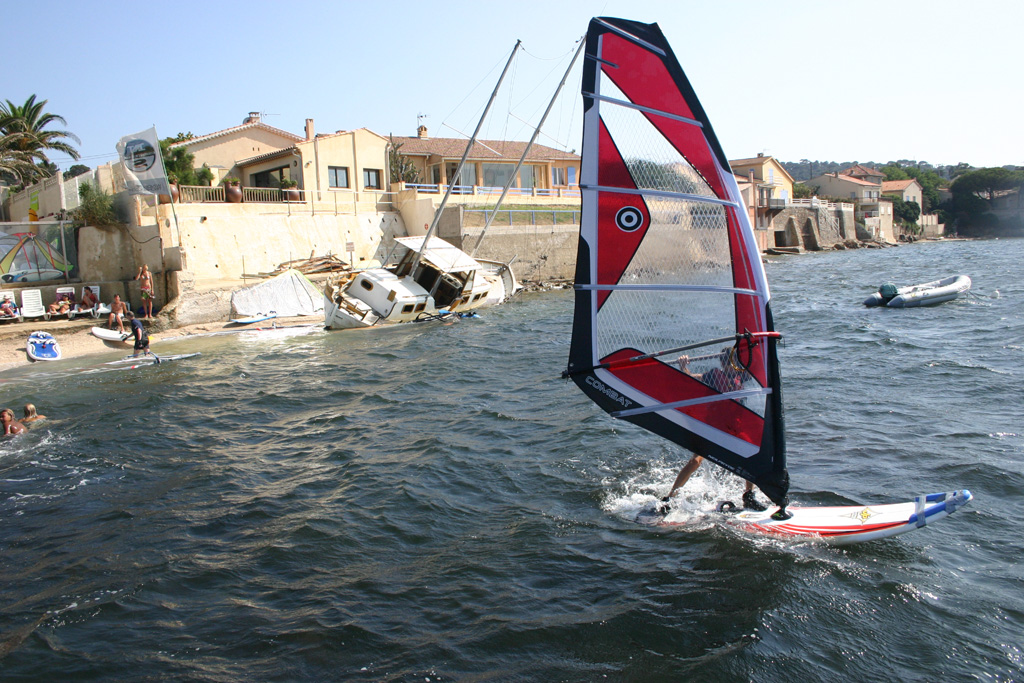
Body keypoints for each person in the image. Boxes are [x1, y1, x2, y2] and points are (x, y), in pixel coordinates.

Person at [666, 348, 768, 511]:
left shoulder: (741, 376)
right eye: (727, 364)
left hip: (734, 427)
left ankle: (748, 496)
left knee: (751, 457)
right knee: (696, 461)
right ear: (722, 363)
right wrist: (683, 366)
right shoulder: (714, 375)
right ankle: (670, 497)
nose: (730, 368)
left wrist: (750, 347)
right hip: (714, 427)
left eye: (733, 364)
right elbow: (691, 378)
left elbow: (758, 365)